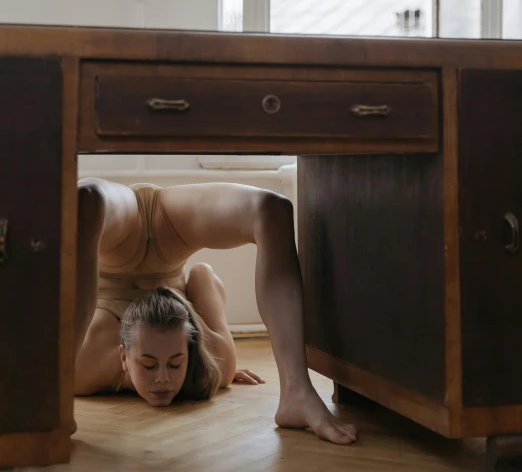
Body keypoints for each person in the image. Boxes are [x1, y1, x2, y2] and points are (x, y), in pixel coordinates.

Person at [75, 178, 357, 445]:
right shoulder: (217, 367)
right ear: (125, 357)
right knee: (85, 199)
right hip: (160, 244)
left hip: (141, 233)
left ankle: (297, 391)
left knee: (272, 209)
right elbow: (203, 275)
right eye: (149, 365)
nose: (162, 378)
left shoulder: (82, 370)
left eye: (175, 364)